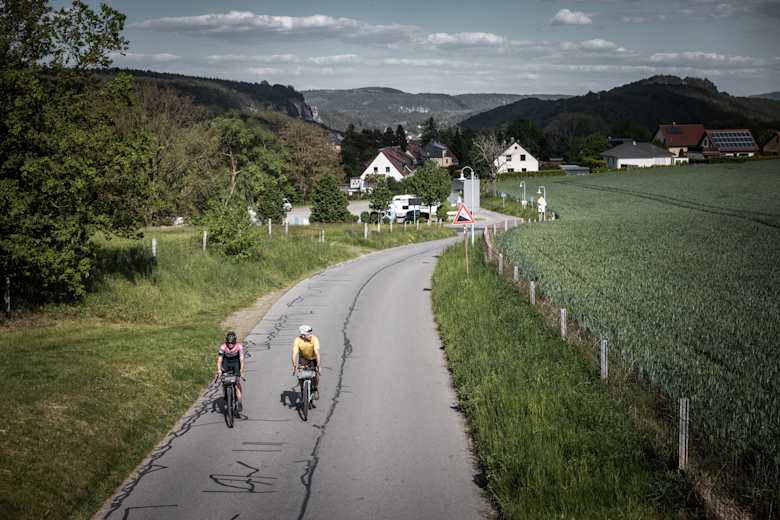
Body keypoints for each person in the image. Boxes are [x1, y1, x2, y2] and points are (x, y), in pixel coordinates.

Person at [216, 331, 245, 411]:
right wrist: (219, 370)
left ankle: (239, 401)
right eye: (229, 343)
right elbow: (219, 360)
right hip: (226, 362)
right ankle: (226, 393)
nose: (230, 344)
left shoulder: (239, 346)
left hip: (236, 362)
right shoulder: (223, 347)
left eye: (232, 343)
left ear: (235, 342)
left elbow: (242, 360)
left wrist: (241, 371)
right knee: (224, 379)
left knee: (237, 382)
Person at [291, 324, 321, 399]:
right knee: (300, 375)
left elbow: (317, 352)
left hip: (313, 358)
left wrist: (318, 365)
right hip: (303, 358)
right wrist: (294, 365)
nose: (311, 335)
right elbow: (294, 353)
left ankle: (315, 388)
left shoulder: (314, 339)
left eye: (311, 333)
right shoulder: (297, 340)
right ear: (303, 335)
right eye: (308, 334)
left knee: (315, 374)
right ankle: (302, 389)